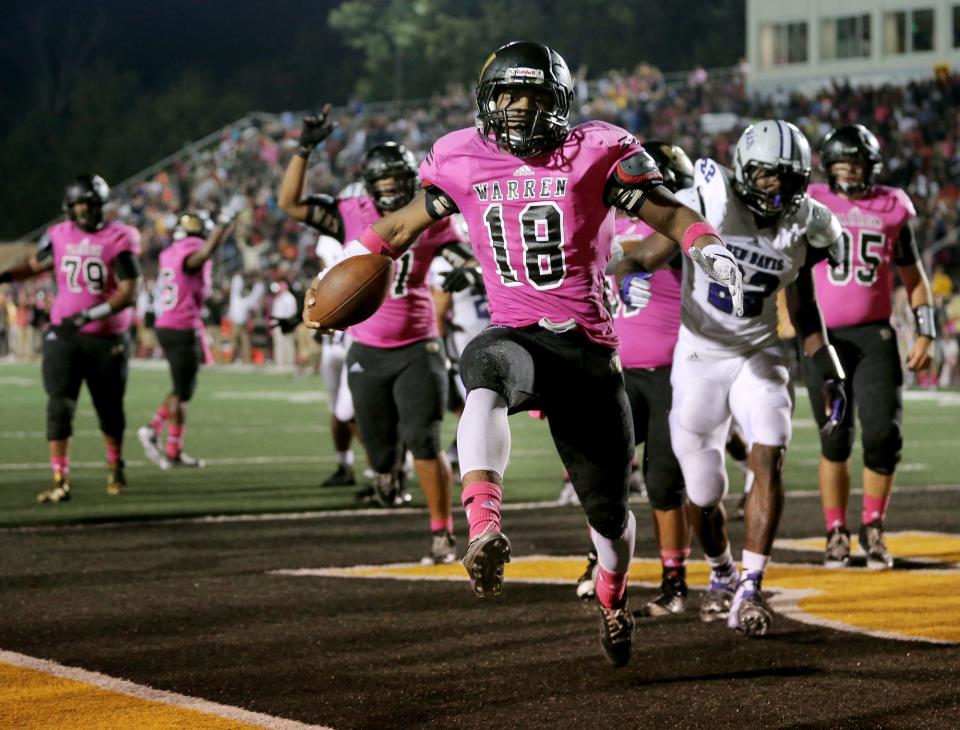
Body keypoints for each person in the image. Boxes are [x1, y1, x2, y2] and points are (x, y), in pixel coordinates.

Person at [302, 41, 744, 666]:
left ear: (558, 103)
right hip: (520, 337)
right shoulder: (460, 158)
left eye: (533, 97)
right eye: (507, 96)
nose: (517, 111)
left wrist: (705, 241)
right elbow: (397, 228)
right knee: (481, 369)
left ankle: (613, 599)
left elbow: (664, 211)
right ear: (487, 102)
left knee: (612, 519)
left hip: (588, 352)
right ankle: (483, 525)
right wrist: (342, 274)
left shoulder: (594, 151)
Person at [628, 120, 846, 637]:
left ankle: (750, 584)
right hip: (700, 356)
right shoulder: (711, 199)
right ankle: (722, 570)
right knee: (702, 491)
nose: (778, 188)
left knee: (770, 443)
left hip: (759, 349)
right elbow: (647, 254)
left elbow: (805, 309)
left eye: (790, 179)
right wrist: (608, 264)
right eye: (768, 175)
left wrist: (829, 368)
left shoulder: (806, 224)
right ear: (746, 170)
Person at [280, 118, 477, 566]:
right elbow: (289, 203)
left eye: (396, 180)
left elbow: (464, 252)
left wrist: (470, 268)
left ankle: (442, 533)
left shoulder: (427, 213)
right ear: (369, 185)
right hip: (365, 346)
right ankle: (389, 476)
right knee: (380, 452)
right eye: (382, 181)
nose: (390, 188)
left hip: (418, 345)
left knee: (425, 442)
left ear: (410, 179)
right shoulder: (350, 213)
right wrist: (303, 150)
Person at [805, 124, 936, 570]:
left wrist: (926, 332)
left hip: (875, 335)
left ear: (871, 166)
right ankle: (836, 531)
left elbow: (915, 279)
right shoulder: (813, 201)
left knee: (883, 435)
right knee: (835, 436)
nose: (848, 173)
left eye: (855, 164)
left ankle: (873, 526)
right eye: (841, 164)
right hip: (824, 340)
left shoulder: (892, 205)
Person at [0, 174, 141, 502]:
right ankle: (60, 477)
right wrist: (4, 275)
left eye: (88, 205)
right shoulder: (59, 235)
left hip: (106, 338)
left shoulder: (119, 237)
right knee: (58, 406)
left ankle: (114, 464)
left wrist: (86, 317)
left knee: (109, 409)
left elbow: (129, 291)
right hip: (64, 335)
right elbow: (35, 265)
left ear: (100, 206)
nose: (82, 212)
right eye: (77, 206)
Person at [138, 204, 239, 469]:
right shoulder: (190, 251)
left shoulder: (170, 252)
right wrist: (224, 223)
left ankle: (173, 451)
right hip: (180, 326)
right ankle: (152, 428)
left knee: (182, 390)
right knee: (183, 391)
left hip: (173, 323)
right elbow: (205, 252)